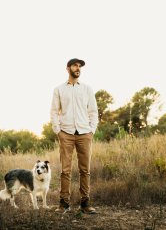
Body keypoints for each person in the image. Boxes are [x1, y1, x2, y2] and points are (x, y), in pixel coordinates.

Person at [50, 58, 99, 214]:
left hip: (85, 133)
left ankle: (85, 204)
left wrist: (92, 130)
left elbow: (93, 111)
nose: (78, 68)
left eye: (79, 66)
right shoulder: (59, 89)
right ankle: (64, 203)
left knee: (85, 170)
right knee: (65, 170)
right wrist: (58, 131)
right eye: (75, 65)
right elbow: (54, 111)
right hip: (66, 133)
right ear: (68, 68)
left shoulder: (87, 89)